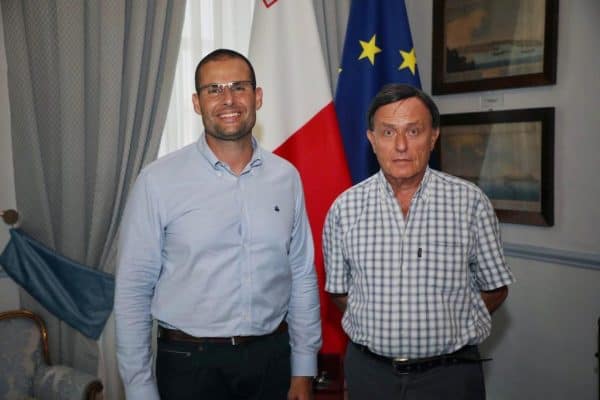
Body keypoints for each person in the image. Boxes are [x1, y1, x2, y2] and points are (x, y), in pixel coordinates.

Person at [115, 49, 321, 400]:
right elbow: (133, 288)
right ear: (197, 103)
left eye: (239, 87)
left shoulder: (286, 178)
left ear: (257, 97)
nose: (228, 99)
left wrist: (304, 367)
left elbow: (301, 273)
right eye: (214, 89)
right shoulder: (157, 181)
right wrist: (139, 388)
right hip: (188, 365)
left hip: (271, 360)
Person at [323, 83, 515, 399]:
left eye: (413, 131)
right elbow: (339, 292)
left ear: (433, 136)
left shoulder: (470, 203)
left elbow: (495, 288)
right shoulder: (344, 208)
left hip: (450, 375)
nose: (401, 145)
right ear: (372, 139)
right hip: (370, 374)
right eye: (388, 132)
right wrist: (379, 318)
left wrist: (451, 322)